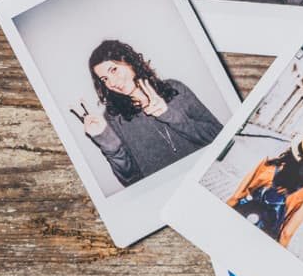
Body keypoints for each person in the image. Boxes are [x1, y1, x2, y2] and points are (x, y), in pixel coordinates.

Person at [70, 40, 225, 187]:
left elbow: (219, 137)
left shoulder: (175, 89)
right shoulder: (114, 118)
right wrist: (109, 145)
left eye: (114, 70)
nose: (112, 83)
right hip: (167, 193)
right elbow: (131, 180)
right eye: (104, 79)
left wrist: (170, 114)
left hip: (208, 177)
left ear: (128, 61)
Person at [227, 133, 303, 247]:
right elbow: (286, 234)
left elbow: (237, 196)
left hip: (238, 223)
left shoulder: (267, 164)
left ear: (294, 150)